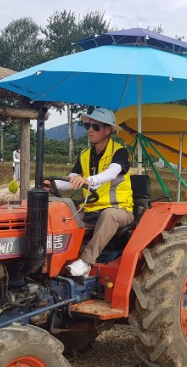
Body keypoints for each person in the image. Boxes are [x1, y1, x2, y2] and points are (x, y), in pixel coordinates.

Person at [45, 108, 134, 278]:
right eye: (87, 126)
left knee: (108, 215)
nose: (90, 130)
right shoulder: (85, 155)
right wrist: (51, 184)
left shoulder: (120, 152)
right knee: (62, 217)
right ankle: (54, 264)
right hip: (91, 211)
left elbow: (112, 173)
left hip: (120, 210)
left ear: (108, 130)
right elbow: (71, 180)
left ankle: (85, 262)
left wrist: (88, 180)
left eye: (96, 126)